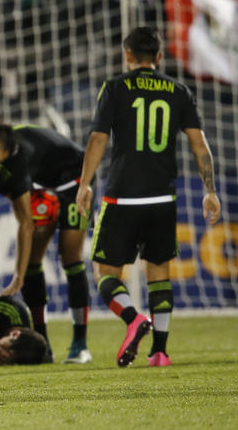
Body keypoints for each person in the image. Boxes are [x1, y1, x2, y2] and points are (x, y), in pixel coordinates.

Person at [77, 27, 221, 368]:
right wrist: (210, 191)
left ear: (127, 55)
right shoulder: (178, 90)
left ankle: (133, 319)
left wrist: (85, 183)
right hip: (162, 198)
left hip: (121, 197)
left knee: (105, 273)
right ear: (159, 57)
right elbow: (199, 144)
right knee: (160, 272)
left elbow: (98, 140)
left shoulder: (114, 88)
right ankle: (160, 352)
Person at [0, 122, 93, 364]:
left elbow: (25, 224)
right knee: (33, 261)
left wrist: (17, 277)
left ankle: (80, 344)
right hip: (43, 187)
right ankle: (43, 342)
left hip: (75, 181)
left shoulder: (20, 162)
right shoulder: (4, 158)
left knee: (70, 257)